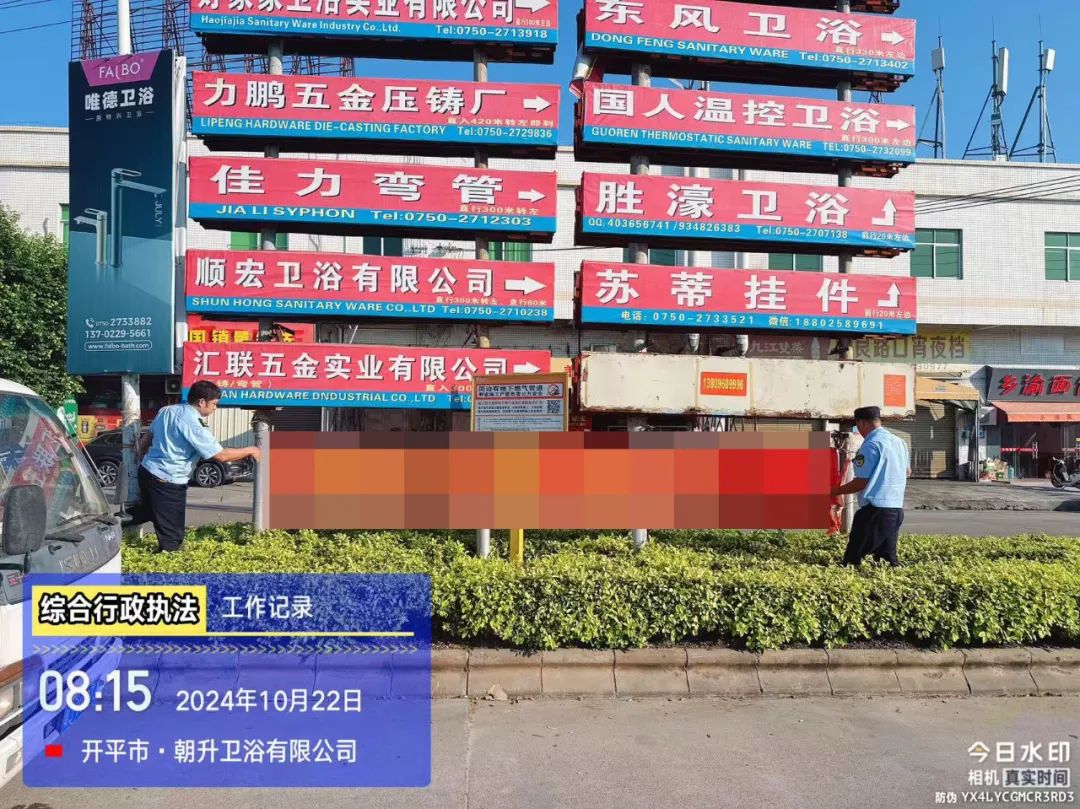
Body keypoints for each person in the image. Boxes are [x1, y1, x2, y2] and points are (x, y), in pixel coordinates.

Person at [123, 380, 260, 552]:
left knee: (149, 511)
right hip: (168, 480)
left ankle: (109, 522)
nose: (215, 408)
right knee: (172, 536)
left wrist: (144, 460)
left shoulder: (167, 410)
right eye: (214, 404)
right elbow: (220, 455)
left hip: (148, 471)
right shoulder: (194, 424)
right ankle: (166, 561)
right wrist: (250, 450)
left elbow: (147, 438)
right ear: (201, 402)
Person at [830, 405, 910, 566]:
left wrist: (836, 491)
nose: (858, 429)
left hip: (874, 511)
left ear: (862, 423)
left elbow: (861, 482)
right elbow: (907, 472)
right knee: (888, 562)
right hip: (896, 510)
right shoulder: (899, 442)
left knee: (852, 561)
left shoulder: (870, 445)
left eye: (858, 425)